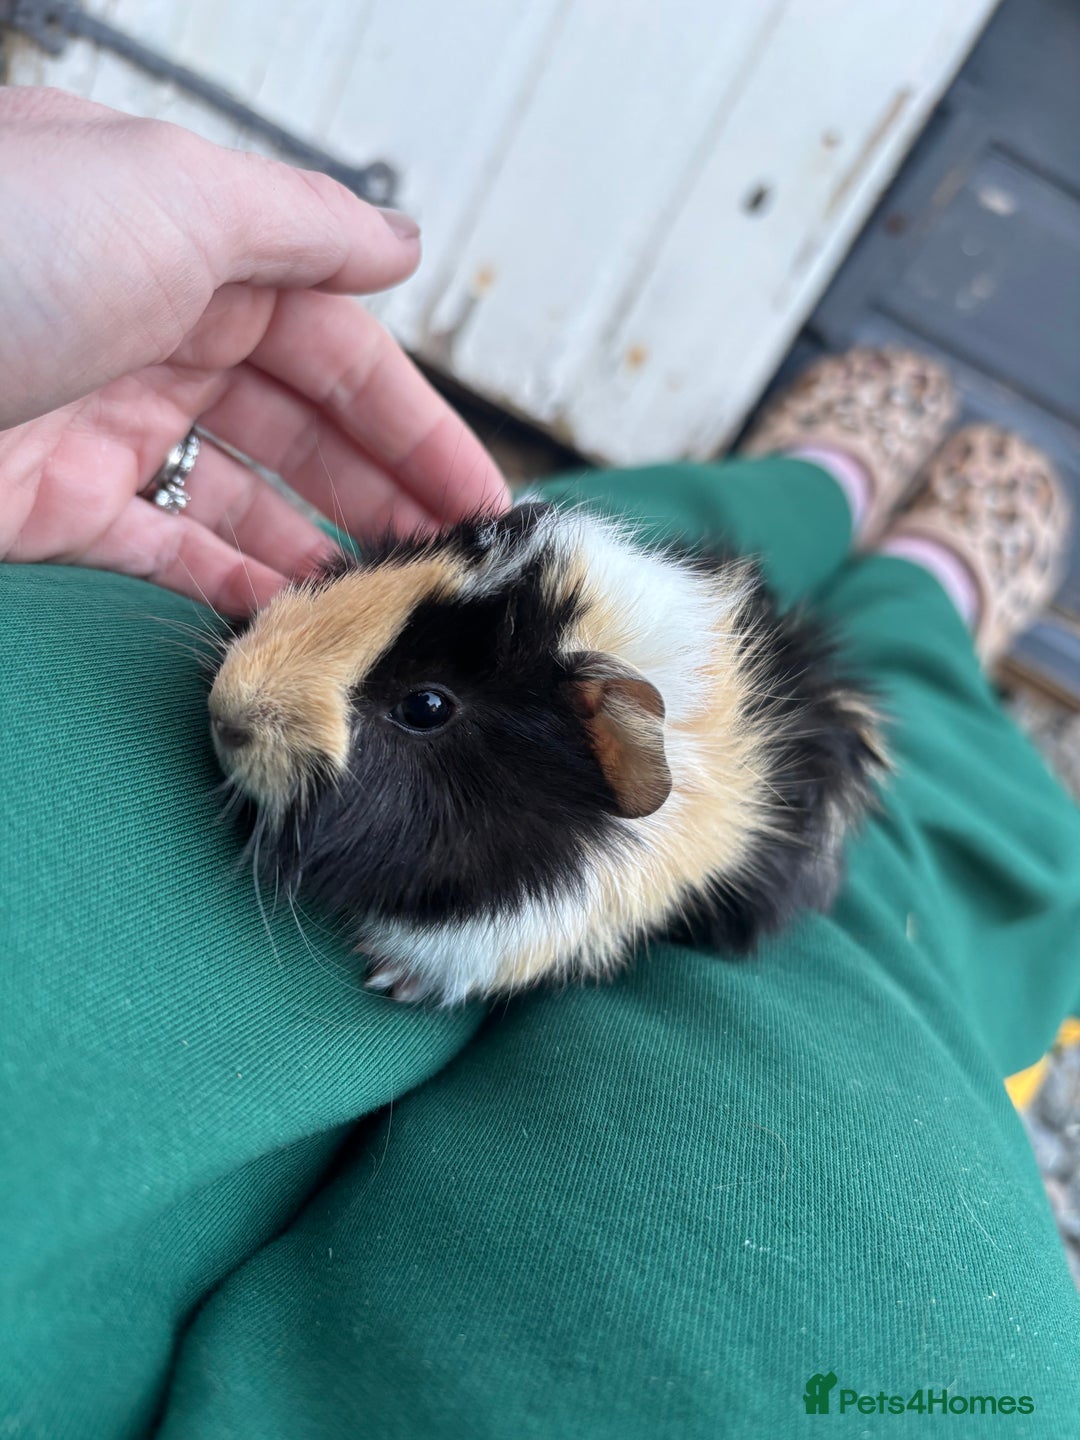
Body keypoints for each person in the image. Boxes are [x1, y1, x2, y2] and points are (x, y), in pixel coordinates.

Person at [2, 87, 1078, 1439]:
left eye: (431, 709)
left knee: (817, 799)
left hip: (701, 755)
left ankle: (845, 522)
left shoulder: (575, 840)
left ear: (596, 772)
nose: (248, 669)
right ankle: (890, 560)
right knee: (876, 925)